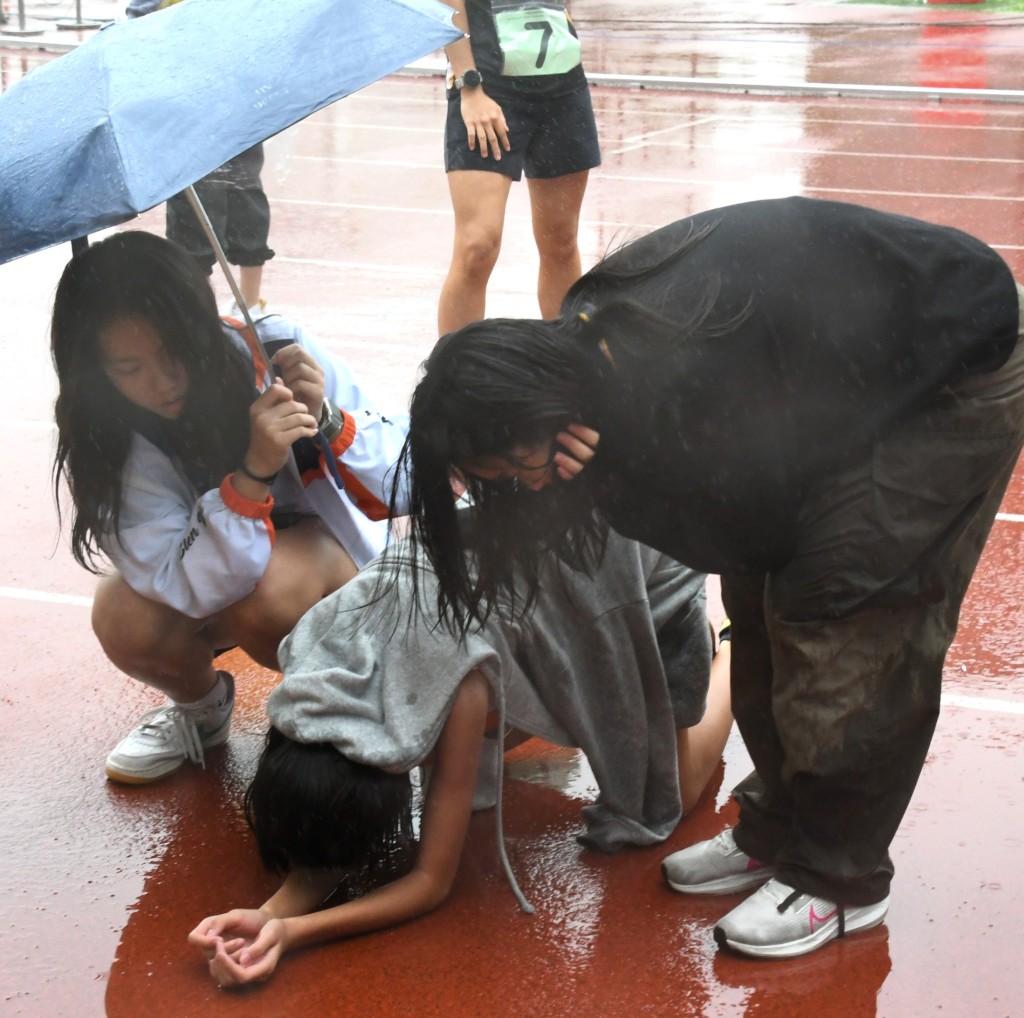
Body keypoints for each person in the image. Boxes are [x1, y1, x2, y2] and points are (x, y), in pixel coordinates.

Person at [392, 195, 1024, 959]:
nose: (522, 487)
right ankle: (779, 830)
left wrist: (613, 480)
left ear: (537, 414)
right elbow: (748, 548)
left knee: (841, 607)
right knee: (755, 603)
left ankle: (843, 879)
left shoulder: (666, 376)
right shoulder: (589, 349)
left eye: (513, 468)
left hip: (951, 367)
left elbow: (754, 526)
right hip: (851, 370)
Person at [188, 528, 734, 987]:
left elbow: (431, 882)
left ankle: (730, 649)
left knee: (666, 798)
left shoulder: (461, 683)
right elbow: (332, 804)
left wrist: (299, 933)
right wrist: (268, 918)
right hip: (519, 582)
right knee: (470, 759)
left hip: (637, 572)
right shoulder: (311, 670)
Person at [50, 230, 408, 784]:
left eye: (173, 351)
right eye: (129, 369)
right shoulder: (105, 435)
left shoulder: (273, 351)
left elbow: (404, 480)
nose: (162, 381)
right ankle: (203, 710)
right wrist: (253, 474)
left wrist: (330, 418)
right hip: (222, 572)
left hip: (333, 567)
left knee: (263, 597)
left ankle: (348, 713)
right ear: (94, 369)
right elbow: (179, 574)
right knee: (122, 616)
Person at [436, 0, 600, 335]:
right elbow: (446, 6)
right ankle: (453, 377)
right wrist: (470, 85)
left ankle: (565, 365)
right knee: (476, 246)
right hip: (486, 87)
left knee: (561, 241)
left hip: (563, 87)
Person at [126, 0, 274, 313]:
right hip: (186, 101)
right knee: (192, 207)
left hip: (238, 94)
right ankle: (200, 307)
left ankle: (249, 304)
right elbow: (139, 25)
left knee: (246, 198)